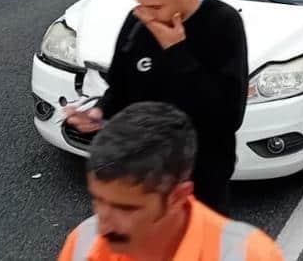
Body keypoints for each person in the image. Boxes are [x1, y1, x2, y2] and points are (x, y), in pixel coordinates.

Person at [65, 0, 248, 214]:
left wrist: (176, 52)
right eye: (142, 5)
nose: (146, 14)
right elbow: (121, 88)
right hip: (141, 177)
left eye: (156, 6)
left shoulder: (222, 24)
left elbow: (228, 117)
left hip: (200, 180)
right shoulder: (138, 20)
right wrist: (98, 111)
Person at [58, 102, 283, 261]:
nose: (103, 224)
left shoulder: (251, 255)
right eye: (99, 200)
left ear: (178, 197)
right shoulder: (82, 244)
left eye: (126, 208)